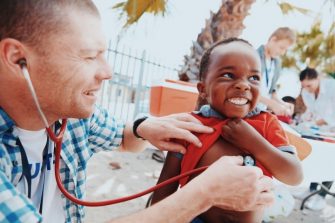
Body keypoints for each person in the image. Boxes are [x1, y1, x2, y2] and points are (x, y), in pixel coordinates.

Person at [0, 1, 275, 222]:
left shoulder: (69, 119)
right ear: (17, 59)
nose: (107, 72)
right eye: (88, 56)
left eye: (103, 55)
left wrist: (144, 127)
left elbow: (124, 137)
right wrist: (204, 195)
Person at [150, 38, 303, 223]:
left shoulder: (267, 123)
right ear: (203, 89)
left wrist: (255, 143)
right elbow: (166, 185)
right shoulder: (191, 125)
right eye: (229, 75)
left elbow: (294, 176)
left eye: (253, 78)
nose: (243, 85)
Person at [295, 67, 335, 211]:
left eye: (309, 85)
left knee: (331, 160)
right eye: (304, 86)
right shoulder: (306, 92)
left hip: (333, 128)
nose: (307, 89)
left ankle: (322, 196)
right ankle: (311, 190)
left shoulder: (332, 87)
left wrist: (317, 122)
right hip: (323, 131)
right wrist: (305, 121)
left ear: (317, 79)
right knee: (319, 156)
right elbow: (311, 111)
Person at [257, 27, 296, 116]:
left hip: (260, 112)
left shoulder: (277, 63)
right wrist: (271, 104)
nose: (283, 53)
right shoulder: (254, 56)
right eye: (281, 48)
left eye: (286, 50)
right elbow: (248, 89)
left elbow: (271, 92)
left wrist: (283, 104)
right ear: (273, 39)